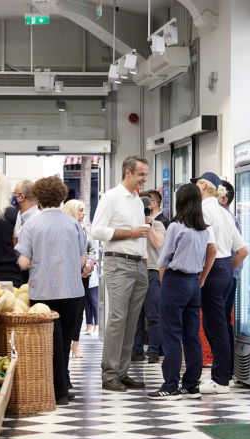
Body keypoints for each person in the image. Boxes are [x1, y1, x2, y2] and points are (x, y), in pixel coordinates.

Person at [16, 176, 87, 406]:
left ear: (38, 198)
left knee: (49, 344)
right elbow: (81, 262)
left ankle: (57, 390)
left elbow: (24, 263)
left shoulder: (31, 224)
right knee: (64, 342)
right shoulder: (73, 224)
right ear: (61, 197)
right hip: (72, 290)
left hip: (44, 292)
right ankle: (63, 386)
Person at [147, 183, 216, 400]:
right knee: (191, 335)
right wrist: (201, 278)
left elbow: (164, 259)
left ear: (180, 201)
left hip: (175, 281)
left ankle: (170, 386)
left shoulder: (176, 227)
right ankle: (191, 385)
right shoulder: (204, 230)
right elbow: (209, 254)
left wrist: (164, 280)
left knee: (171, 335)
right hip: (194, 283)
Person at [91, 155, 151, 392]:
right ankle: (109, 375)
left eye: (145, 174)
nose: (144, 179)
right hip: (118, 263)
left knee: (131, 322)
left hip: (138, 265)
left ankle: (122, 373)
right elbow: (97, 231)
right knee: (117, 319)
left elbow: (141, 235)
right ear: (128, 172)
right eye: (141, 174)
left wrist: (144, 261)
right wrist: (130, 233)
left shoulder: (137, 200)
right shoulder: (111, 197)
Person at [196, 172, 249, 394]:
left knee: (215, 326)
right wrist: (227, 270)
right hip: (226, 268)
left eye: (198, 183)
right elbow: (243, 250)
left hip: (212, 268)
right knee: (217, 324)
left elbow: (210, 247)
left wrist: (204, 276)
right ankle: (222, 373)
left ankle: (221, 380)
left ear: (204, 186)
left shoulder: (204, 210)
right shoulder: (224, 213)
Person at [132, 193, 165, 363]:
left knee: (153, 315)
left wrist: (149, 224)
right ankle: (136, 350)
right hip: (136, 271)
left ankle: (153, 351)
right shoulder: (132, 224)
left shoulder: (158, 224)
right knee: (136, 316)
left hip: (153, 272)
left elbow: (159, 243)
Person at [61, 199, 96, 359]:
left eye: (84, 210)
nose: (83, 213)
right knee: (67, 310)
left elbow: (92, 249)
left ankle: (75, 344)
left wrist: (89, 264)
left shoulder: (85, 229)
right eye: (80, 210)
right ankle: (64, 343)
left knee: (78, 312)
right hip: (67, 275)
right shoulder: (63, 229)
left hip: (84, 275)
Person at [219, 180, 242, 362]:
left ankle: (226, 368)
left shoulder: (227, 219)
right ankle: (223, 367)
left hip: (226, 276)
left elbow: (242, 251)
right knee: (221, 319)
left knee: (222, 320)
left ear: (224, 199)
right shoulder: (220, 216)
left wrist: (228, 270)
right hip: (225, 275)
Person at [12, 180, 40, 284]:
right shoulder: (24, 218)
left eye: (15, 193)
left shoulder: (33, 221)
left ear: (22, 197)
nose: (13, 197)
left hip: (29, 275)